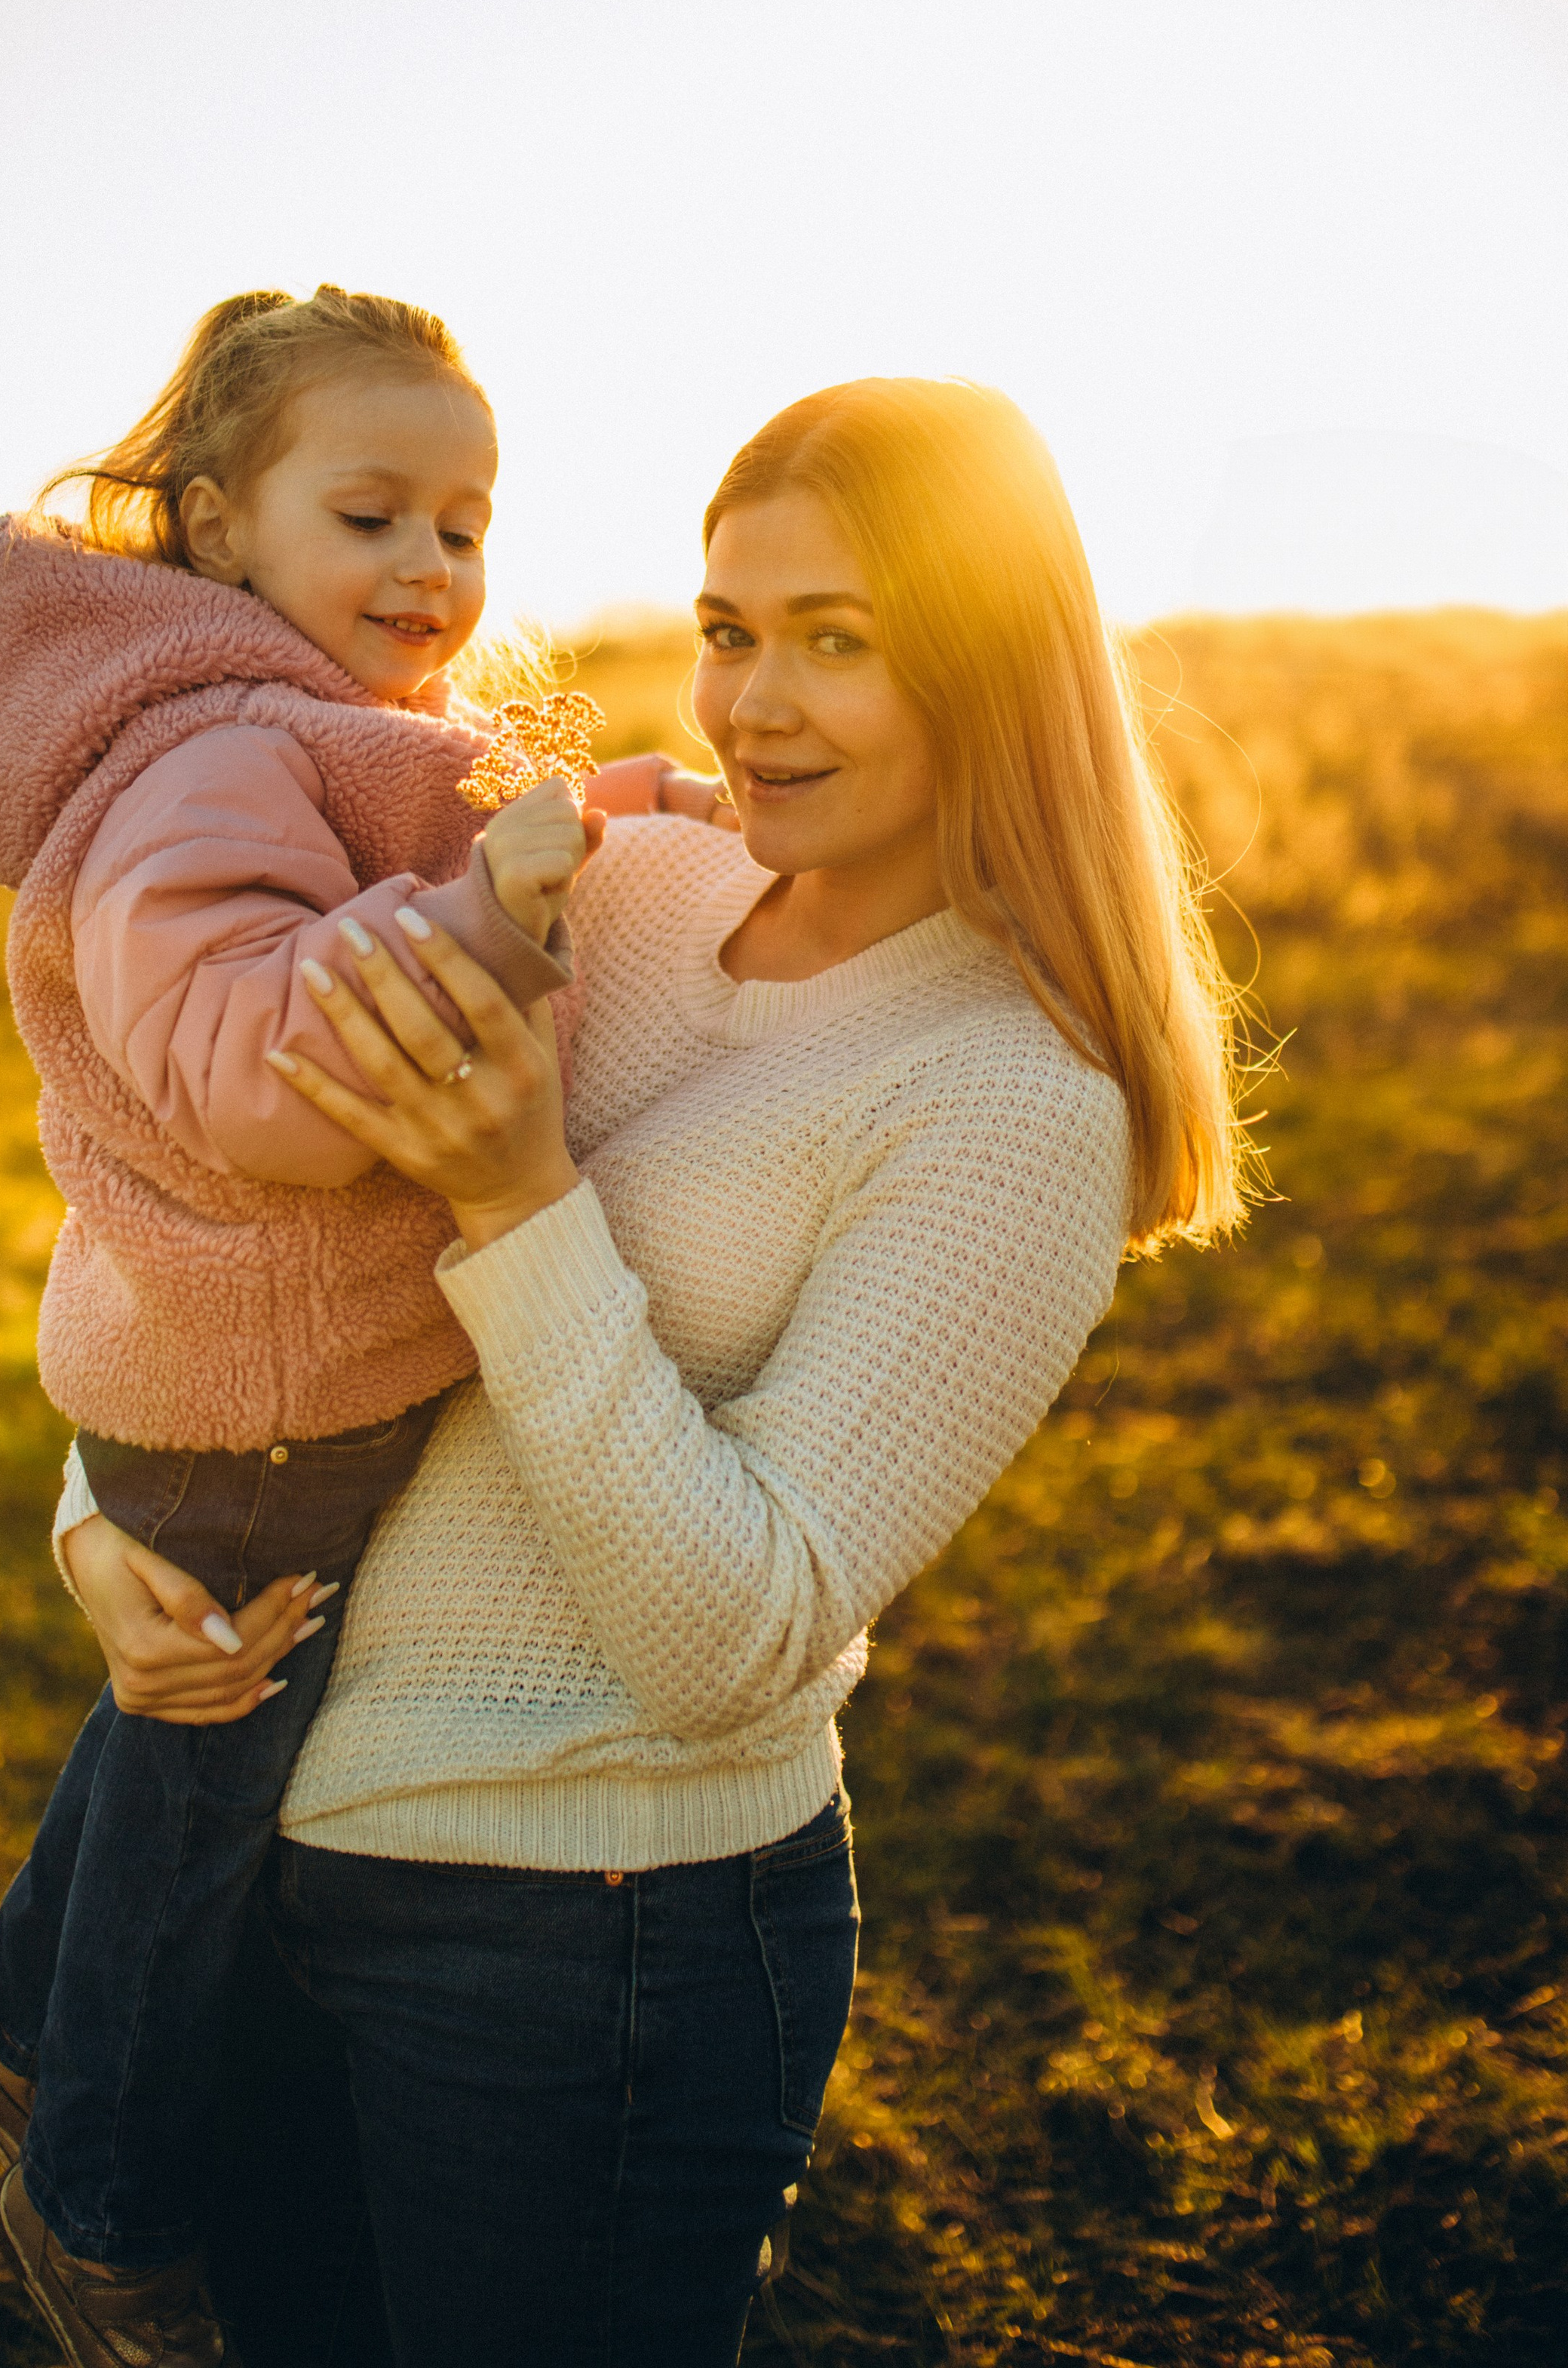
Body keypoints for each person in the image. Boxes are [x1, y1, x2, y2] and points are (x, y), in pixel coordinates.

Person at [62, 375, 1252, 2368]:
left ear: (990, 674)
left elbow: (740, 1634)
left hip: (589, 1939)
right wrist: (99, 1532)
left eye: (837, 644)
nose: (748, 702)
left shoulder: (1006, 1101)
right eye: (727, 629)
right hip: (257, 1863)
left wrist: (525, 1209)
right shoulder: (620, 887)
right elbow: (218, 1220)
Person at [0, 284, 720, 2368]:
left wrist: (615, 811)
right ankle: (90, 2196)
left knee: (156, 1720)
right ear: (211, 527)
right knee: (200, 1799)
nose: (434, 569)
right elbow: (258, 1075)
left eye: (467, 523)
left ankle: (5, 2019)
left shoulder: (285, 729)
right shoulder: (200, 753)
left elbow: (408, 845)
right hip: (262, 1386)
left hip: (237, 1368)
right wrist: (498, 904)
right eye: (373, 516)